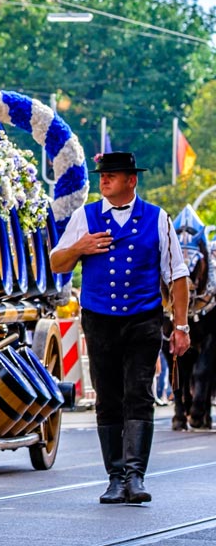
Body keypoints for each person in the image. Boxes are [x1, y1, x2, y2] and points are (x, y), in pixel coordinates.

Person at [50, 151, 190, 505]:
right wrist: (80, 247)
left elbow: (177, 275)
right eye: (102, 175)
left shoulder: (158, 218)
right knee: (108, 396)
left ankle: (135, 474)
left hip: (143, 319)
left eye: (112, 175)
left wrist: (182, 326)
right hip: (99, 319)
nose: (104, 180)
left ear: (132, 180)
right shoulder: (86, 216)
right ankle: (115, 477)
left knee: (138, 393)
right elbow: (56, 261)